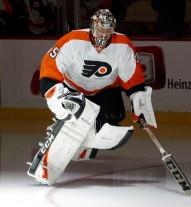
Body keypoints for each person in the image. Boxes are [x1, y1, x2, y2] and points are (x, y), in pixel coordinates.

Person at [27, 9, 157, 185]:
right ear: (92, 26)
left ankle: (83, 140)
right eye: (100, 29)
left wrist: (138, 101)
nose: (103, 35)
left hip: (105, 91)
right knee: (75, 113)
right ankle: (51, 154)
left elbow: (133, 79)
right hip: (74, 89)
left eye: (107, 31)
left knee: (113, 120)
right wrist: (56, 94)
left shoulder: (123, 45)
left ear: (113, 29)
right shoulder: (74, 40)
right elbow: (50, 67)